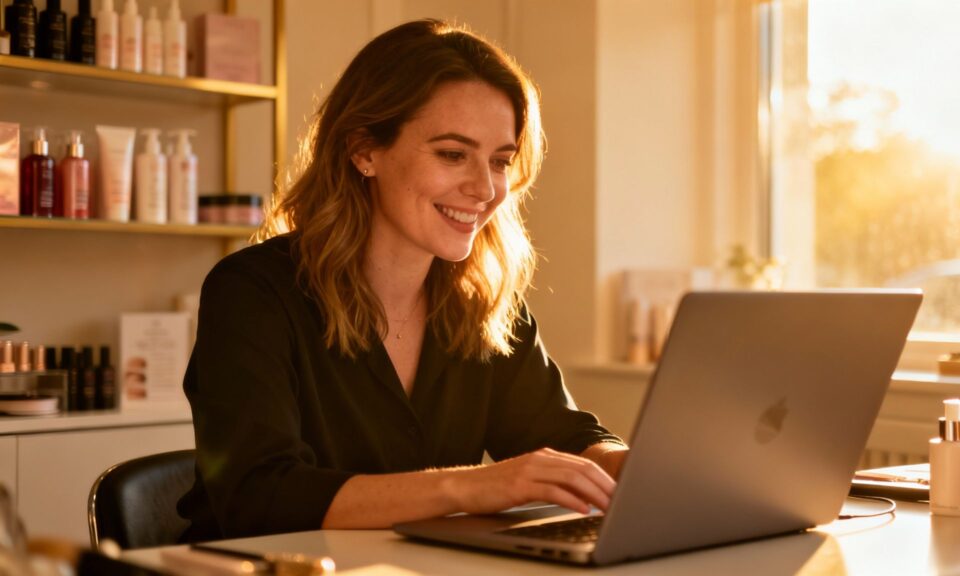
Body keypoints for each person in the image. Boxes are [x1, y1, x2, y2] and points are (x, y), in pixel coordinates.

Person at [177, 19, 628, 541]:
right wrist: (472, 486)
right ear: (364, 150)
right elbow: (259, 495)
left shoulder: (483, 306)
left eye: (500, 161)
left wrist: (640, 468)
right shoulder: (252, 293)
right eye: (453, 154)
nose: (485, 189)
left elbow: (564, 437)